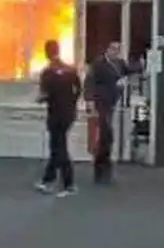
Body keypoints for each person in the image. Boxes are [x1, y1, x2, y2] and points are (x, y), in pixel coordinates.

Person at [86, 42, 141, 184]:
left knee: (108, 137)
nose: (115, 52)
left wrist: (141, 64)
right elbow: (89, 81)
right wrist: (89, 101)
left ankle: (105, 169)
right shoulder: (98, 64)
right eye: (113, 49)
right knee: (105, 136)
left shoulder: (120, 63)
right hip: (101, 103)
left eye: (118, 50)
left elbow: (129, 70)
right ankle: (101, 170)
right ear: (108, 50)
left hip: (112, 103)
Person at [34, 40, 82, 198]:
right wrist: (71, 103)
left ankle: (69, 184)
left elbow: (44, 95)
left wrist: (40, 99)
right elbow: (78, 90)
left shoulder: (47, 72)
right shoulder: (70, 69)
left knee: (59, 148)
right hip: (68, 114)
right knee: (57, 146)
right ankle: (47, 179)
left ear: (46, 53)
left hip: (55, 115)